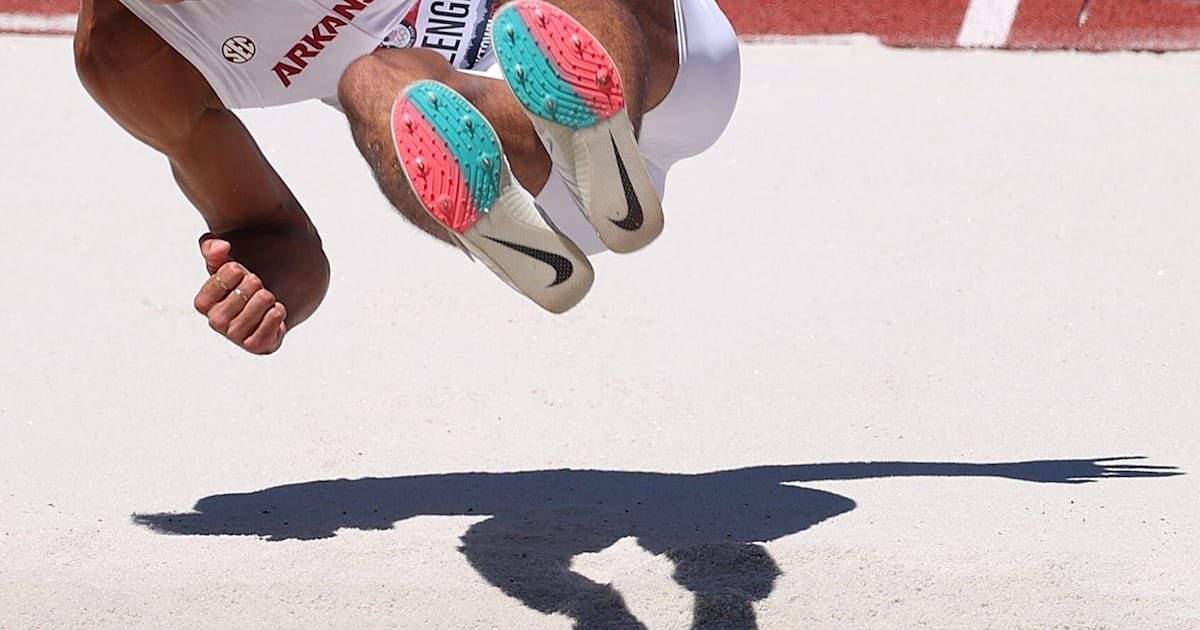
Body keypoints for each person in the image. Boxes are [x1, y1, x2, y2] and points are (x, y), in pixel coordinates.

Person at [74, 0, 741, 354]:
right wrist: (267, 288)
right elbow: (274, 236)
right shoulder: (128, 54)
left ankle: (594, 134)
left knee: (526, 21)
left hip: (660, 67)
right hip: (531, 188)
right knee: (370, 79)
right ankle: (551, 205)